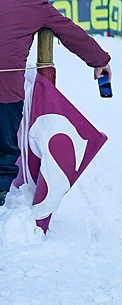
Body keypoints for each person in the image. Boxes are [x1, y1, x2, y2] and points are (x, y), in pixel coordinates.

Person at [0, 0, 111, 206]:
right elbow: (73, 35)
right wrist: (100, 62)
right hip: (6, 89)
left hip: (6, 84)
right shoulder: (36, 6)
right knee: (5, 146)